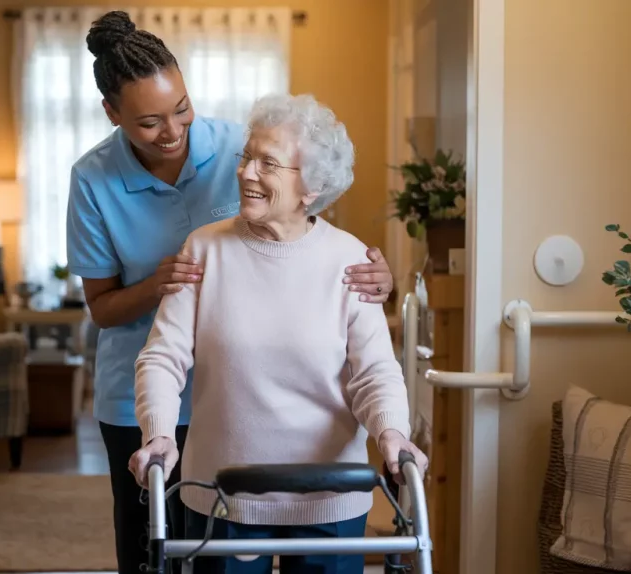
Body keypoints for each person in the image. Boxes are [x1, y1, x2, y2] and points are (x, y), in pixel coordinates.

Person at [65, 11, 396, 574]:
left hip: (269, 417)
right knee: (154, 552)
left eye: (181, 109)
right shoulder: (99, 182)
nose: (173, 132)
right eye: (148, 122)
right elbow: (115, 317)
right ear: (113, 114)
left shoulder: (236, 148)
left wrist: (375, 281)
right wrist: (161, 285)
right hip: (159, 406)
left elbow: (366, 359)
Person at [128, 93, 428, 574]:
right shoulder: (204, 250)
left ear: (311, 186)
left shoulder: (349, 261)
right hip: (225, 492)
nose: (247, 173)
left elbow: (373, 371)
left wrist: (392, 431)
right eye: (247, 157)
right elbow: (163, 356)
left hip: (330, 493)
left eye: (268, 163)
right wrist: (159, 431)